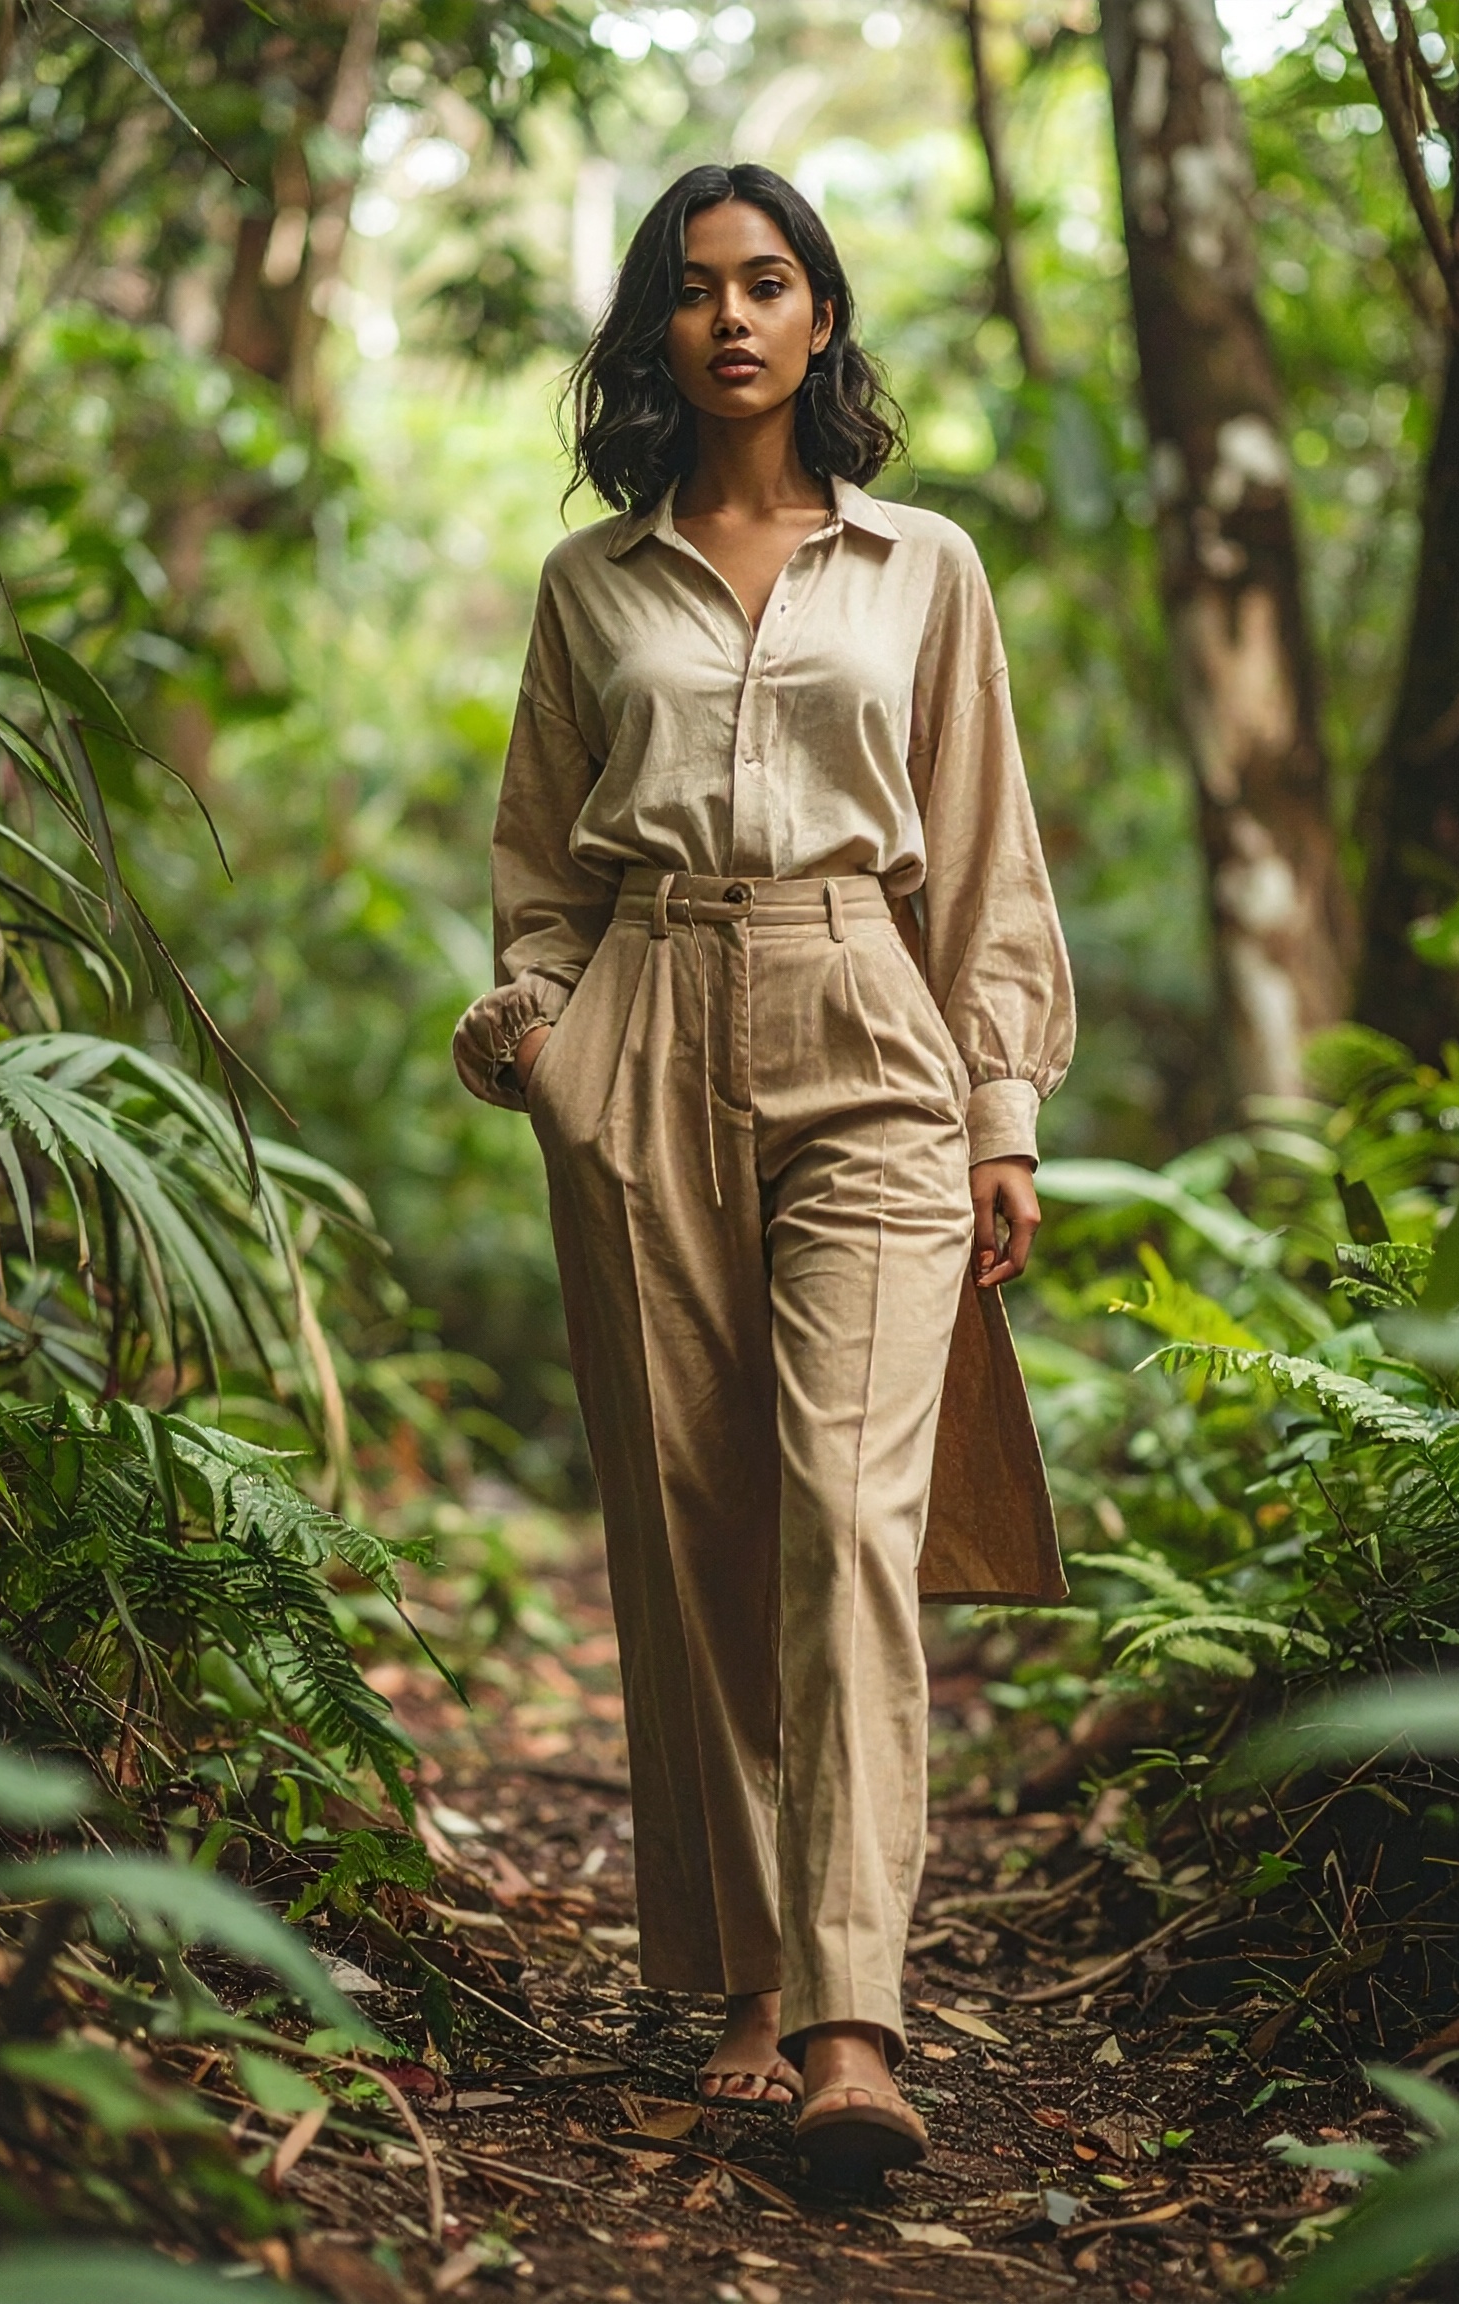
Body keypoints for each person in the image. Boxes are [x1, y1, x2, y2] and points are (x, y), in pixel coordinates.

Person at [453, 161, 1074, 2187]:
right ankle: (737, 1973)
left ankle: (847, 2019)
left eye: (771, 282)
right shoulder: (589, 585)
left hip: (862, 1026)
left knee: (842, 1514)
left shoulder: (922, 568)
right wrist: (535, 1030)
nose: (733, 317)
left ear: (821, 320)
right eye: (697, 289)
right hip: (640, 1025)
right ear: (652, 330)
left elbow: (976, 853)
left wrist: (1001, 1110)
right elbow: (543, 871)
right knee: (697, 1522)